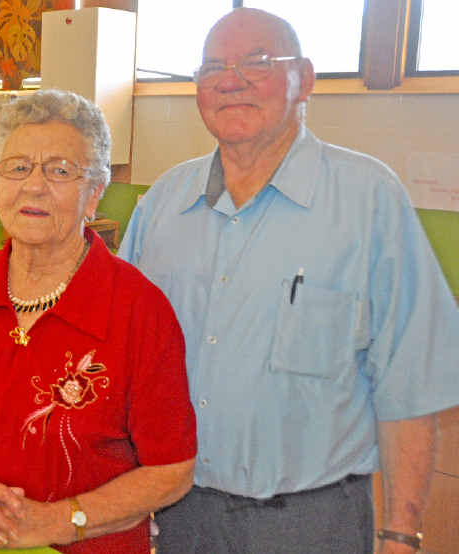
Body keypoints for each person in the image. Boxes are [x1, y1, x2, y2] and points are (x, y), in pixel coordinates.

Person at [118, 8, 459, 554]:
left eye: (258, 62)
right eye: (213, 66)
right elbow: (120, 364)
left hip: (312, 522)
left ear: (306, 77)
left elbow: (409, 385)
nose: (231, 81)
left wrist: (401, 535)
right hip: (179, 514)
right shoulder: (162, 205)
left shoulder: (368, 200)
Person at [0, 89, 197, 553]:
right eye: (18, 167)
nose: (35, 185)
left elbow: (172, 470)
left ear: (94, 195)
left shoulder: (138, 310)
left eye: (61, 171)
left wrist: (59, 522)